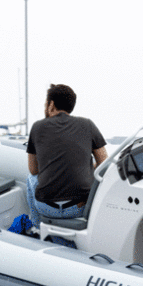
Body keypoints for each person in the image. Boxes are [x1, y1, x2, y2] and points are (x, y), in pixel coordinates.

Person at [26, 84, 108, 228]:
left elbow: (33, 170)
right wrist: (87, 168)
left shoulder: (37, 127)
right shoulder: (87, 124)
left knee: (30, 178)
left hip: (47, 208)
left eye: (46, 103)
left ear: (51, 104)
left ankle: (37, 228)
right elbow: (104, 163)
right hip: (78, 208)